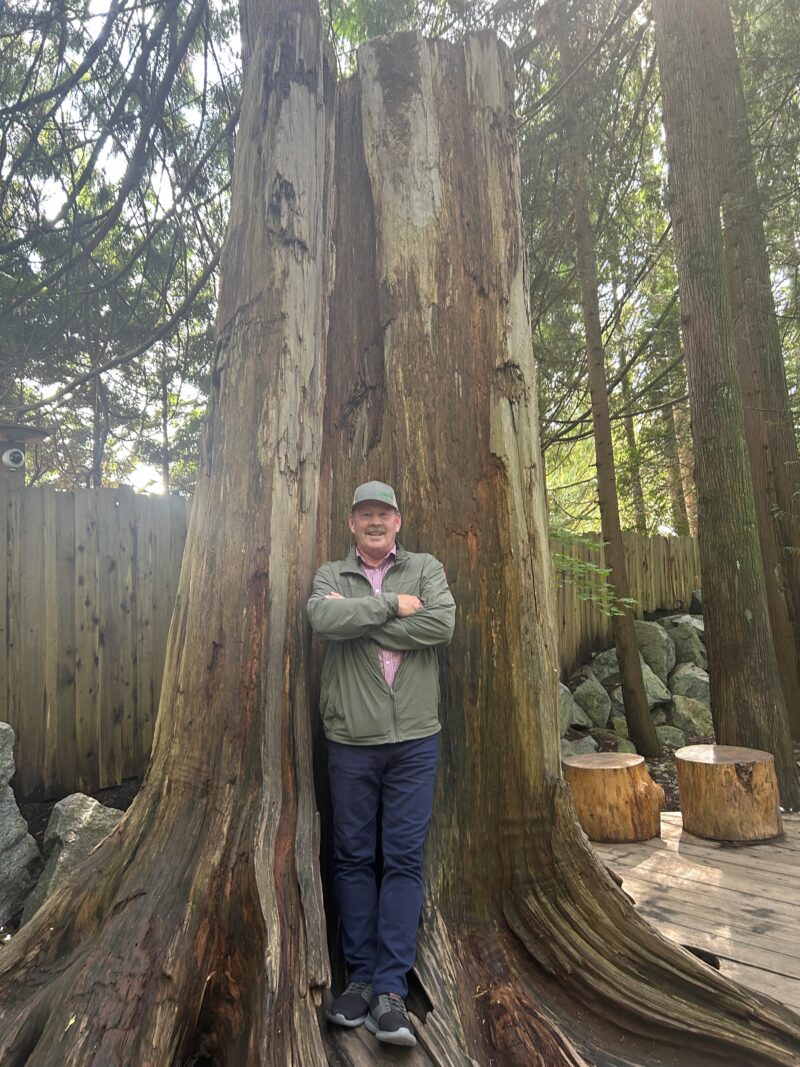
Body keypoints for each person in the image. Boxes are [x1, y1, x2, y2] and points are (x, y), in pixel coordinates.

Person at [307, 480, 456, 1047]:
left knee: (403, 860)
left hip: (416, 741)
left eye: (384, 513)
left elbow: (440, 626)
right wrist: (392, 605)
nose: (375, 521)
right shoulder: (331, 575)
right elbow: (323, 620)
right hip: (351, 740)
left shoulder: (426, 568)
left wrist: (358, 618)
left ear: (398, 521)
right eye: (365, 513)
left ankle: (391, 990)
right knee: (352, 858)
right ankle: (360, 981)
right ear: (352, 523)